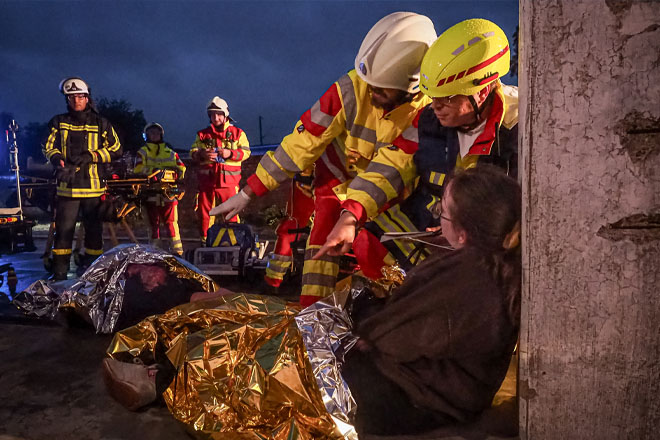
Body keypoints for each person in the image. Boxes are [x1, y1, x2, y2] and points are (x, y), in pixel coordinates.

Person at [211, 12, 437, 306]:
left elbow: (392, 169)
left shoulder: (428, 112)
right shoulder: (350, 87)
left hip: (388, 192)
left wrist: (353, 213)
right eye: (368, 81)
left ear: (411, 86)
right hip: (338, 176)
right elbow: (302, 142)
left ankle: (386, 314)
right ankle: (310, 317)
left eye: (381, 89)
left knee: (377, 249)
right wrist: (248, 192)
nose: (370, 92)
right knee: (320, 244)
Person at [316, 18, 519, 278]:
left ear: (481, 91)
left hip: (487, 238)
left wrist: (468, 229)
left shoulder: (520, 129)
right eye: (432, 96)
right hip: (434, 225)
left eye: (446, 97)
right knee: (370, 242)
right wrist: (351, 215)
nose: (435, 106)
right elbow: (393, 163)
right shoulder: (430, 121)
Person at [342, 165, 521, 436]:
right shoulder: (500, 265)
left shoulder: (467, 275)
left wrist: (364, 322)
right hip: (451, 397)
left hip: (418, 401)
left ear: (463, 233)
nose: (439, 219)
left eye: (444, 214)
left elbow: (389, 339)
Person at [43, 77, 122, 280]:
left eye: (80, 96)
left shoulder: (101, 122)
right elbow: (47, 145)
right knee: (64, 232)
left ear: (87, 98)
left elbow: (116, 148)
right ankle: (60, 272)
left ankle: (92, 272)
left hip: (93, 188)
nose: (76, 101)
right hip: (67, 188)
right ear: (67, 100)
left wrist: (92, 156)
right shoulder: (58, 121)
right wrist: (57, 158)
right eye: (71, 97)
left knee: (94, 233)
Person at [190, 97, 250, 244]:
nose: (215, 117)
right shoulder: (202, 135)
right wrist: (201, 154)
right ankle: (205, 242)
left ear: (225, 115)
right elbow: (192, 152)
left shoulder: (238, 133)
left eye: (218, 114)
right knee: (204, 214)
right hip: (207, 182)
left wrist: (230, 154)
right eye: (212, 114)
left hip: (229, 182)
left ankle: (234, 242)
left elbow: (246, 152)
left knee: (231, 213)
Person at [134, 122, 186, 256]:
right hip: (150, 193)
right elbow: (138, 170)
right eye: (151, 133)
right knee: (153, 225)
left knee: (172, 223)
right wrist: (153, 173)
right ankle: (155, 252)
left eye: (157, 133)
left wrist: (175, 174)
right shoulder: (142, 152)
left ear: (161, 135)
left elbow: (182, 168)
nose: (154, 135)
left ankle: (177, 252)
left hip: (168, 193)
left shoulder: (171, 153)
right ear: (146, 136)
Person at [263, 169, 315, 288]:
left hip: (310, 181)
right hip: (324, 181)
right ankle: (275, 279)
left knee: (291, 226)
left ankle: (274, 279)